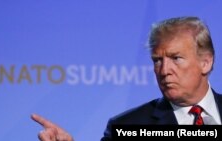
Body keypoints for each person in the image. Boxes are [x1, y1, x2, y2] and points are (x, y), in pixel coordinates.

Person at [31, 16, 222, 141]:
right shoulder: (126, 127)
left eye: (176, 58)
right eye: (157, 60)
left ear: (205, 62)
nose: (164, 71)